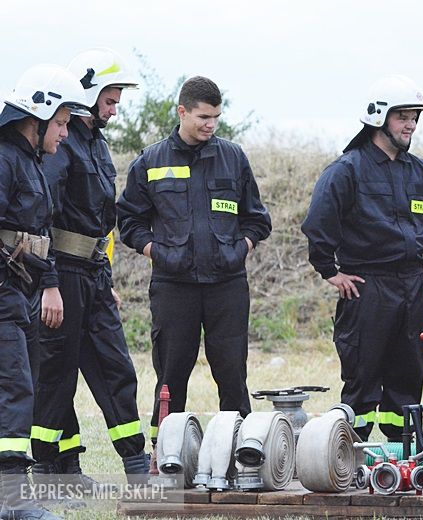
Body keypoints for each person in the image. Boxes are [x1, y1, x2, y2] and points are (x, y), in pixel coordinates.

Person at [301, 75, 423, 441]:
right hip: (366, 289)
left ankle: (403, 454)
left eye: (414, 117)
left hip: (411, 289)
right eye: (402, 116)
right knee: (362, 378)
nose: (411, 124)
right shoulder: (347, 170)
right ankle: (349, 456)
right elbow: (318, 224)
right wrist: (330, 272)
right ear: (378, 117)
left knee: (408, 375)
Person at [117, 76, 272, 443]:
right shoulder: (150, 161)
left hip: (227, 285)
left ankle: (240, 449)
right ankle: (168, 451)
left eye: (216, 117)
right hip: (174, 286)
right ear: (182, 112)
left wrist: (241, 249)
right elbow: (129, 222)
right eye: (204, 116)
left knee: (232, 372)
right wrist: (157, 252)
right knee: (171, 373)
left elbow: (257, 219)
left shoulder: (232, 157)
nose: (210, 124)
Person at [31, 48, 148, 482]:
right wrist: (49, 284)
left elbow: (100, 222)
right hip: (61, 273)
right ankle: (53, 469)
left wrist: (107, 276)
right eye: (111, 100)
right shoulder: (60, 146)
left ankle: (137, 467)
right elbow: (41, 217)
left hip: (94, 276)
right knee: (57, 377)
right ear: (89, 92)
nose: (115, 111)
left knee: (116, 367)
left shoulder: (96, 143)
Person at [0, 63, 91, 520]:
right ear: (35, 119)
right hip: (2, 296)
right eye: (60, 123)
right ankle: (14, 501)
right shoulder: (3, 160)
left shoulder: (29, 162)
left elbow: (38, 234)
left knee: (21, 387)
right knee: (14, 389)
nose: (65, 133)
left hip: (19, 297)